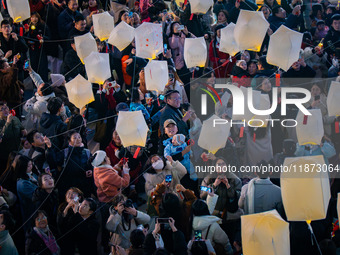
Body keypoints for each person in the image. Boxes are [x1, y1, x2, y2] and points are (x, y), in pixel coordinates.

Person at [46, 131, 94, 199]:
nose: (78, 139)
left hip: (84, 185)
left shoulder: (87, 152)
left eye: (79, 137)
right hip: (69, 186)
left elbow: (92, 165)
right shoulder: (64, 153)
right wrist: (49, 148)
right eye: (74, 138)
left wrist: (91, 171)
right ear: (69, 140)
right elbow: (53, 161)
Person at [0, 102, 26, 173]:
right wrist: (8, 123)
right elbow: (3, 135)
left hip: (18, 149)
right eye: (2, 109)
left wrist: (23, 131)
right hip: (6, 154)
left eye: (6, 108)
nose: (5, 110)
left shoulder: (15, 118)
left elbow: (21, 128)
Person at [15, 156, 38, 232]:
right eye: (28, 165)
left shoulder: (32, 175)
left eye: (31, 164)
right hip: (30, 213)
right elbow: (36, 196)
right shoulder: (22, 183)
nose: (30, 167)